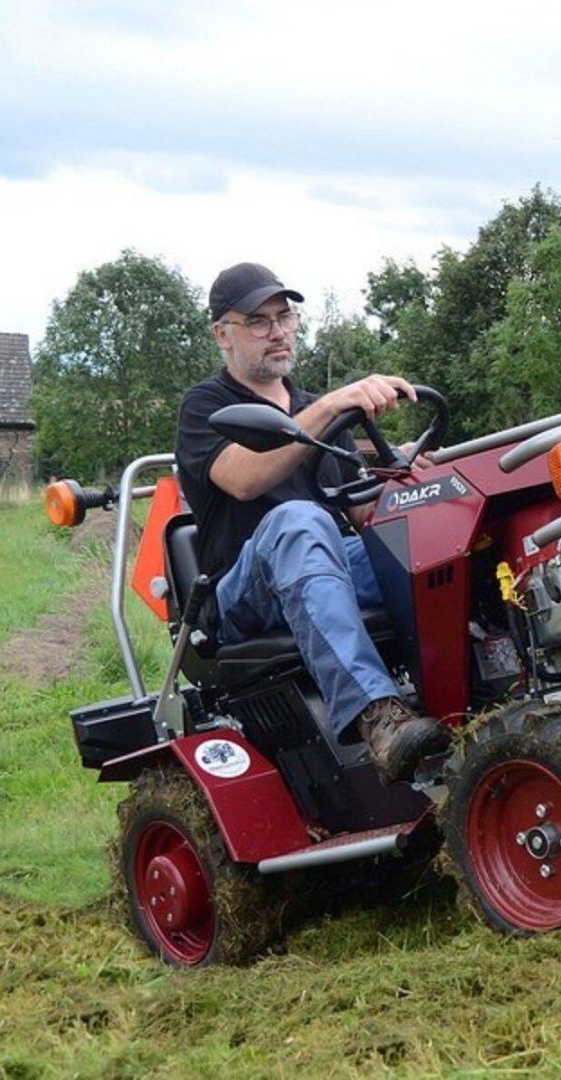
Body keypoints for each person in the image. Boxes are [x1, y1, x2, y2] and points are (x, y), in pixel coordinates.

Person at [175, 262, 447, 783]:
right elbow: (244, 479)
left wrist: (408, 484)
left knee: (430, 536)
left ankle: (482, 692)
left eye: (285, 317)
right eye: (258, 321)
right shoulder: (206, 406)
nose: (277, 331)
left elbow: (364, 512)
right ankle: (376, 717)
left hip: (321, 571)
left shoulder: (314, 413)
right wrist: (330, 405)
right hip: (241, 593)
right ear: (222, 335)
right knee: (297, 522)